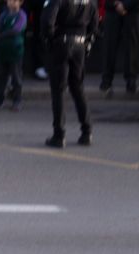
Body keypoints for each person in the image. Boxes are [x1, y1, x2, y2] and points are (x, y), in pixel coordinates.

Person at [45, 0, 96, 147]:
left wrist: (50, 39)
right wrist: (86, 42)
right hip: (80, 44)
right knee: (78, 87)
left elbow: (48, 21)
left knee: (59, 89)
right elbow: (94, 25)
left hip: (62, 42)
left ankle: (59, 135)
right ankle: (87, 132)